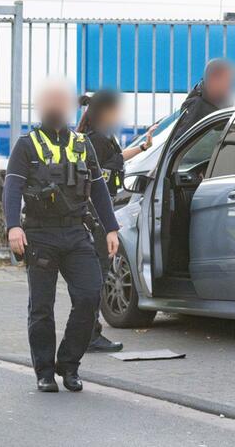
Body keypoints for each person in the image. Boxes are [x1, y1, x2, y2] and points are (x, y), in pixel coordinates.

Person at [3, 79, 120, 393]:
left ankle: (68, 365)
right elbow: (12, 187)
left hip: (75, 232)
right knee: (42, 306)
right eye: (50, 101)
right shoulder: (27, 145)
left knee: (89, 296)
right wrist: (12, 225)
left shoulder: (83, 144)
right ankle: (44, 371)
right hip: (39, 234)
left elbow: (98, 188)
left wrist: (111, 228)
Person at [76, 90, 154, 353]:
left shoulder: (98, 137)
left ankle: (88, 333)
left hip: (98, 212)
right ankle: (89, 334)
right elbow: (98, 176)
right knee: (95, 278)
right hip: (96, 215)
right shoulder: (95, 140)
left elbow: (117, 160)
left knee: (95, 276)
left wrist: (144, 147)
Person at [170, 58, 235, 143]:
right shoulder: (196, 106)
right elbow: (180, 146)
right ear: (214, 79)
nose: (230, 85)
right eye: (227, 80)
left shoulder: (220, 102)